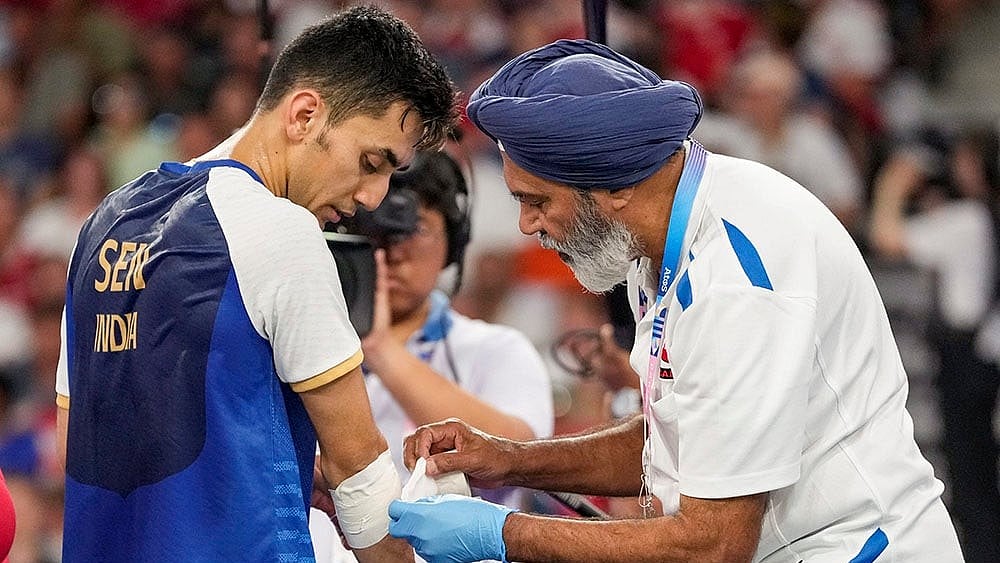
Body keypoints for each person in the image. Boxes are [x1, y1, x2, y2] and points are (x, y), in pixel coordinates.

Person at [385, 39, 964, 562]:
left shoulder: (736, 280)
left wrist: (503, 534)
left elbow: (712, 544)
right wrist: (509, 459)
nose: (527, 224)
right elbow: (673, 441)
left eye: (536, 200)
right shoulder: (657, 238)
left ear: (610, 186)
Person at [54, 6, 458, 562]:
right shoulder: (283, 231)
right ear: (305, 114)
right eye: (371, 161)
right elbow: (356, 470)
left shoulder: (103, 223)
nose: (373, 197)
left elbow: (76, 445)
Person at [310, 149, 554, 562]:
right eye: (373, 229)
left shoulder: (494, 350)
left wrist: (381, 348)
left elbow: (521, 455)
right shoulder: (297, 349)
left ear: (453, 244)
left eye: (414, 228)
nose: (392, 251)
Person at [869, 127, 1000, 563]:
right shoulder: (974, 216)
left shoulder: (967, 220)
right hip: (979, 357)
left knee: (973, 479)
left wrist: (893, 183)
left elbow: (886, 236)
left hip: (970, 361)